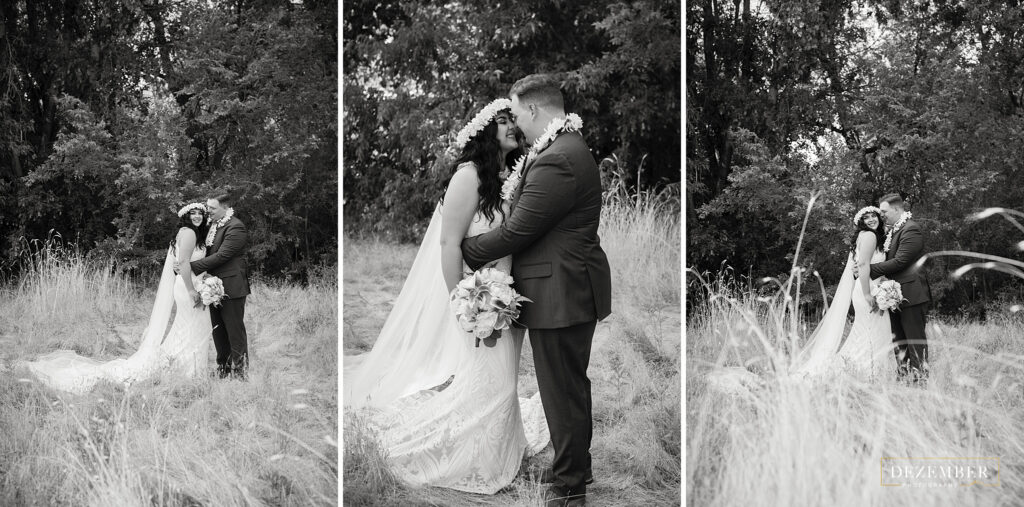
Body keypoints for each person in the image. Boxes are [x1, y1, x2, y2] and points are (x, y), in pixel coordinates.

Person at [343, 98, 548, 494]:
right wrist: (463, 300)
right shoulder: (468, 176)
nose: (510, 126)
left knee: (504, 377)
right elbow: (448, 243)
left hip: (509, 293)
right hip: (480, 297)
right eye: (502, 121)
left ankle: (500, 446)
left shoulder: (512, 175)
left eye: (512, 120)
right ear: (486, 132)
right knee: (491, 376)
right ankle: (475, 454)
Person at [461, 74, 613, 507]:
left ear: (533, 109)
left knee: (561, 388)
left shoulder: (557, 158)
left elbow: (517, 231)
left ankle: (569, 489)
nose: (517, 125)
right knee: (569, 385)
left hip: (560, 289)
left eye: (517, 113)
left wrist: (467, 249)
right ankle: (575, 467)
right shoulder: (561, 148)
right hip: (566, 285)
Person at [20, 203, 214, 393]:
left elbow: (186, 264)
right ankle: (188, 371)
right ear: (186, 217)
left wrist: (202, 279)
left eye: (200, 213)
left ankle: (184, 369)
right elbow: (184, 264)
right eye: (193, 213)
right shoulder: (188, 233)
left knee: (188, 328)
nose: (197, 216)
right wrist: (191, 290)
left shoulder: (193, 234)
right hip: (188, 287)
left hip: (191, 284)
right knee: (194, 326)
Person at [185, 193, 251, 379]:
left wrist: (191, 267)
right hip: (212, 287)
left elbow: (222, 256)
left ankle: (240, 373)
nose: (208, 211)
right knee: (218, 331)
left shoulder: (236, 227)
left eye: (212, 208)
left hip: (232, 286)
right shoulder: (212, 225)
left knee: (234, 331)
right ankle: (223, 369)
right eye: (208, 208)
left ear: (225, 207)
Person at [869, 193, 930, 382]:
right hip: (894, 295)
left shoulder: (911, 229)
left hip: (912, 294)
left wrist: (868, 270)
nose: (882, 215)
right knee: (899, 340)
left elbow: (901, 261)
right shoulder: (893, 230)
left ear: (897, 209)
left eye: (884, 211)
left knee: (914, 340)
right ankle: (903, 377)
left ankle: (920, 380)